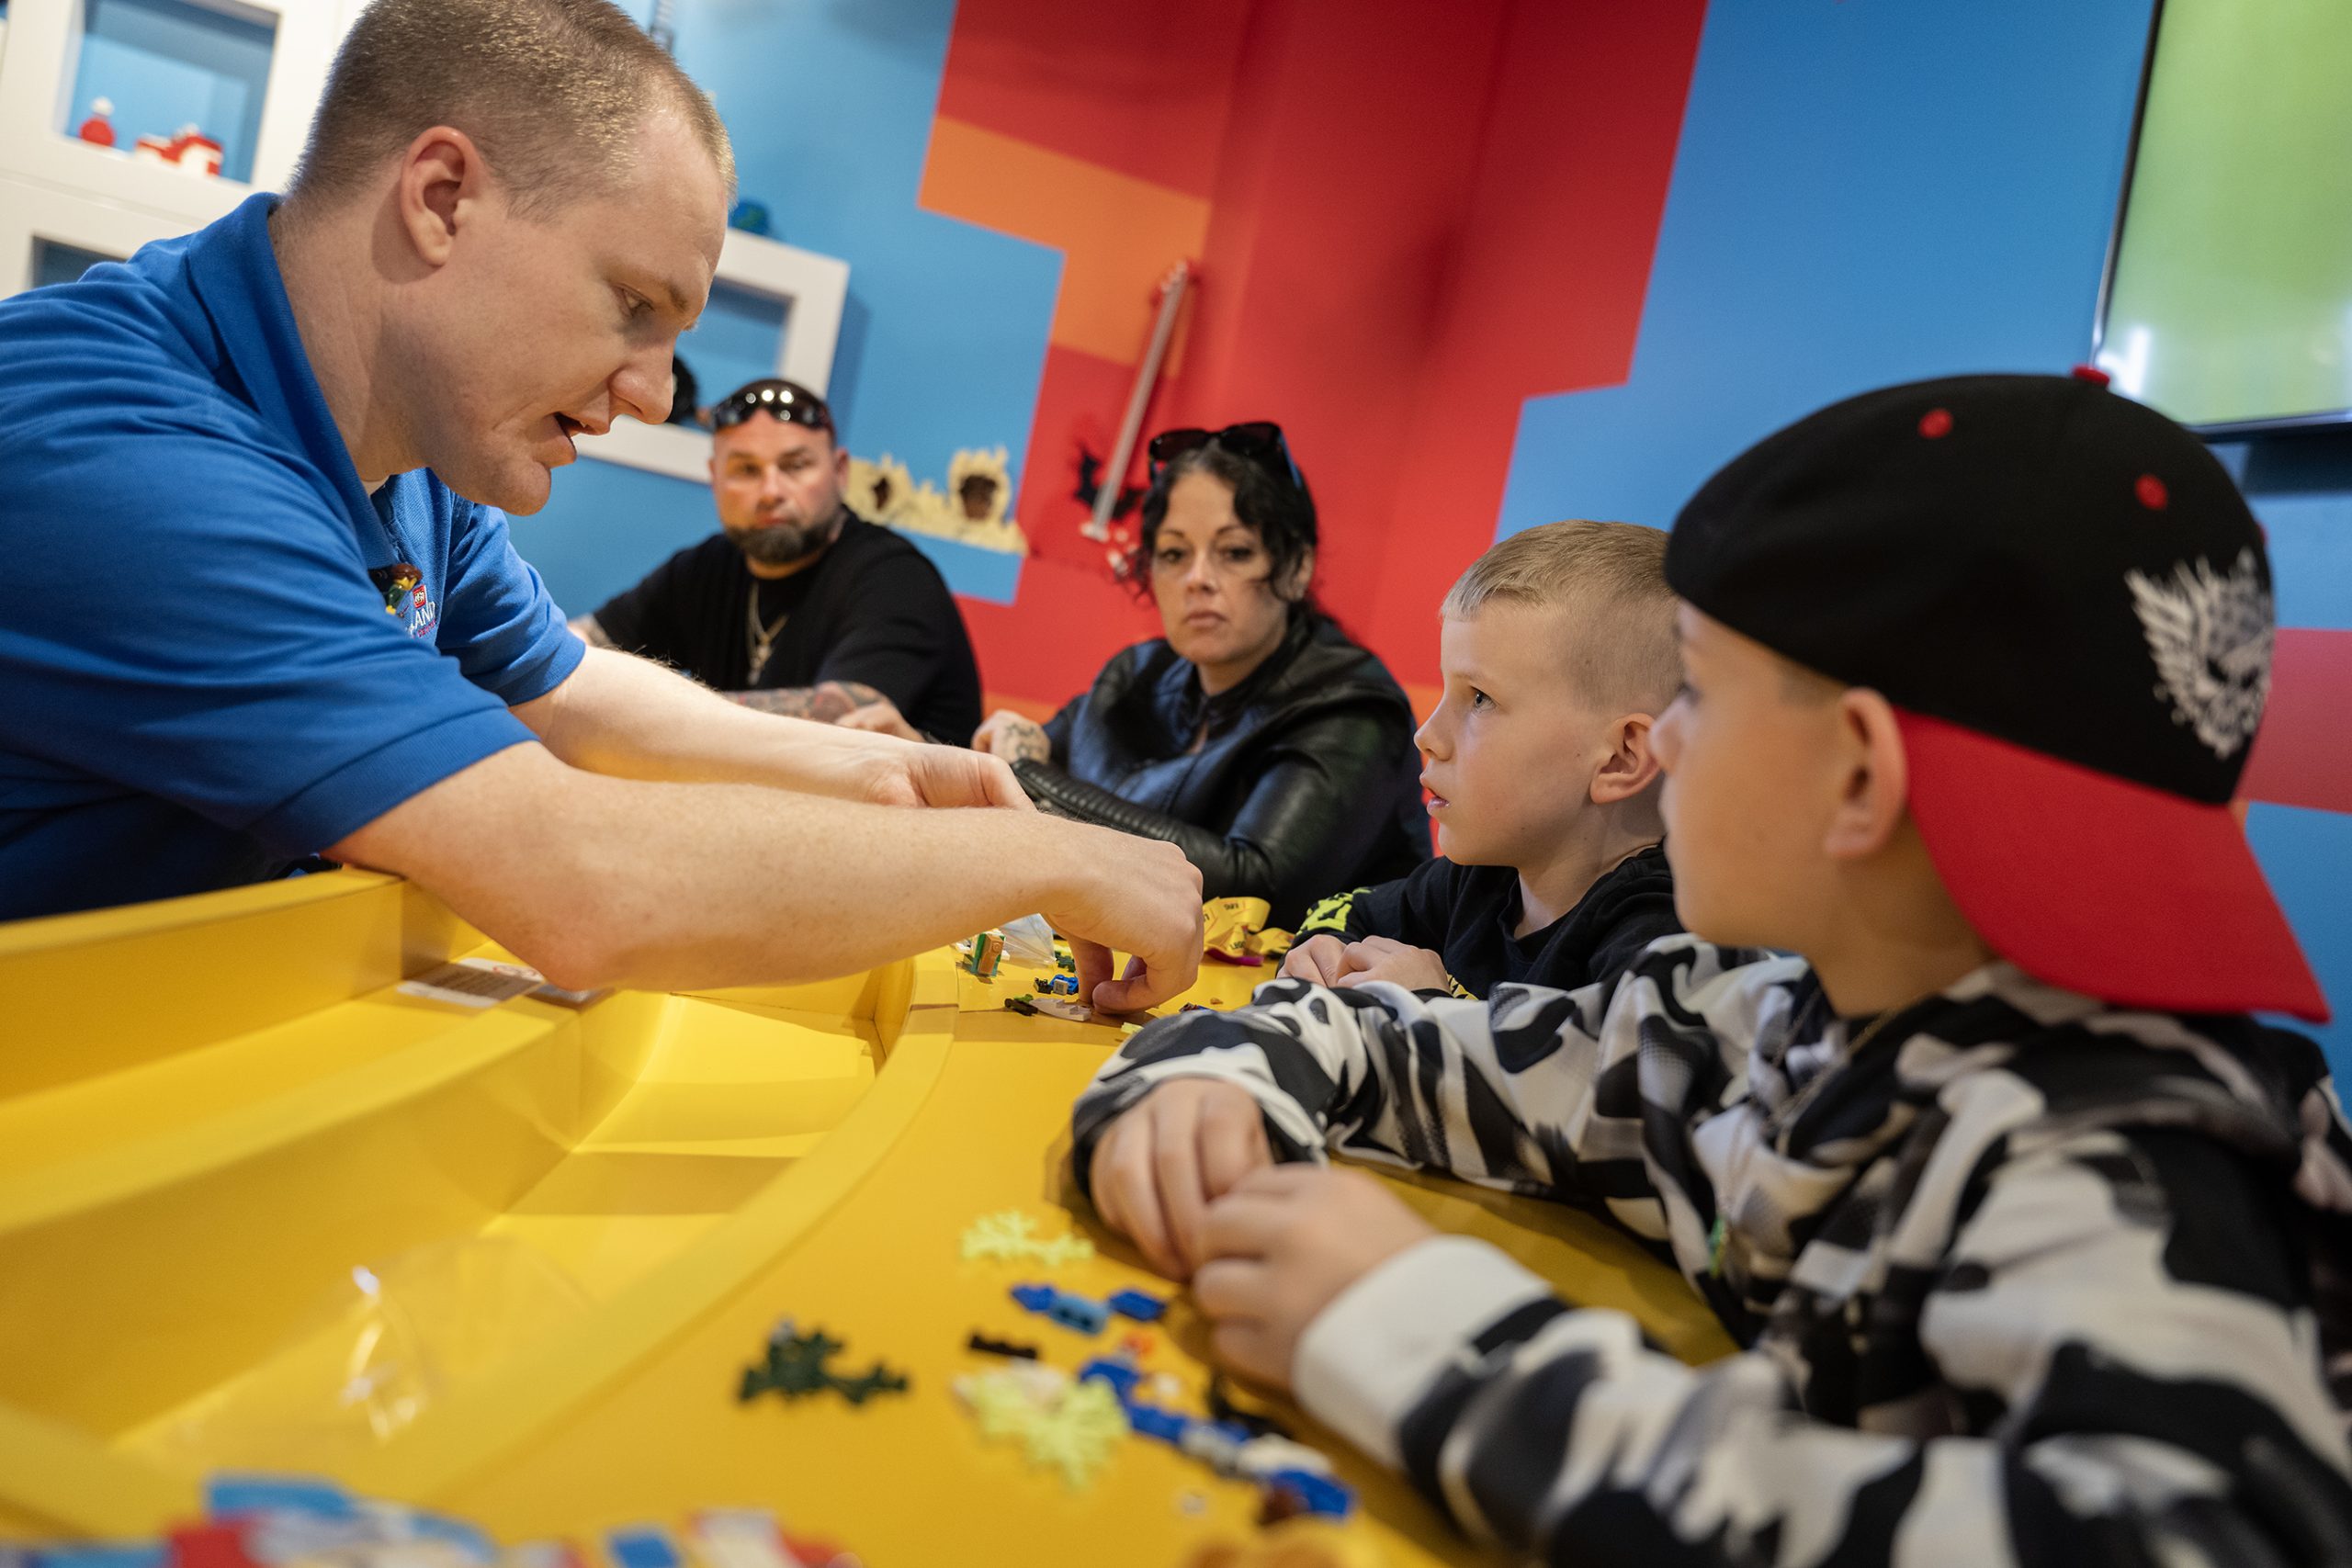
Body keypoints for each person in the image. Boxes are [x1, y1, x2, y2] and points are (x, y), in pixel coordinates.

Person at [1069, 374, 2352, 1562]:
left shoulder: (2126, 1158)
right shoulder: (1748, 1027)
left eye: (1705, 691)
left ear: (1858, 776)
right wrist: (1203, 1090)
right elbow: (1383, 1043)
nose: (1668, 740)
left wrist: (1424, 1333)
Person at [0, 0, 1201, 1013]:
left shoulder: (415, 455)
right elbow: (576, 881)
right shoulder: (121, 452)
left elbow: (571, 691)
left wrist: (874, 772)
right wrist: (1033, 855)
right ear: (441, 198)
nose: (656, 396)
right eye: (632, 304)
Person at [852, 423, 1428, 925]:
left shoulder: (1352, 707)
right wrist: (920, 752)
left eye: (1234, 552)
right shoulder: (1137, 675)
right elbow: (1010, 785)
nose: (1197, 579)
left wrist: (1020, 772)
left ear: (1297, 567)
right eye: (1174, 554)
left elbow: (1256, 885)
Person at [1283, 520, 1681, 999]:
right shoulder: (1481, 878)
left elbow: (1590, 1051)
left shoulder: (1663, 941)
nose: (1427, 737)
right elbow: (1345, 912)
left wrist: (1429, 1010)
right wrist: (1325, 955)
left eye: (1479, 699)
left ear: (1620, 757)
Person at [571, 378, 984, 739]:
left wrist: (641, 705)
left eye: (795, 466)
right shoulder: (710, 564)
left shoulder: (895, 577)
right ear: (715, 477)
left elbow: (844, 721)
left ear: (840, 472)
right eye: (746, 470)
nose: (771, 491)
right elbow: (585, 643)